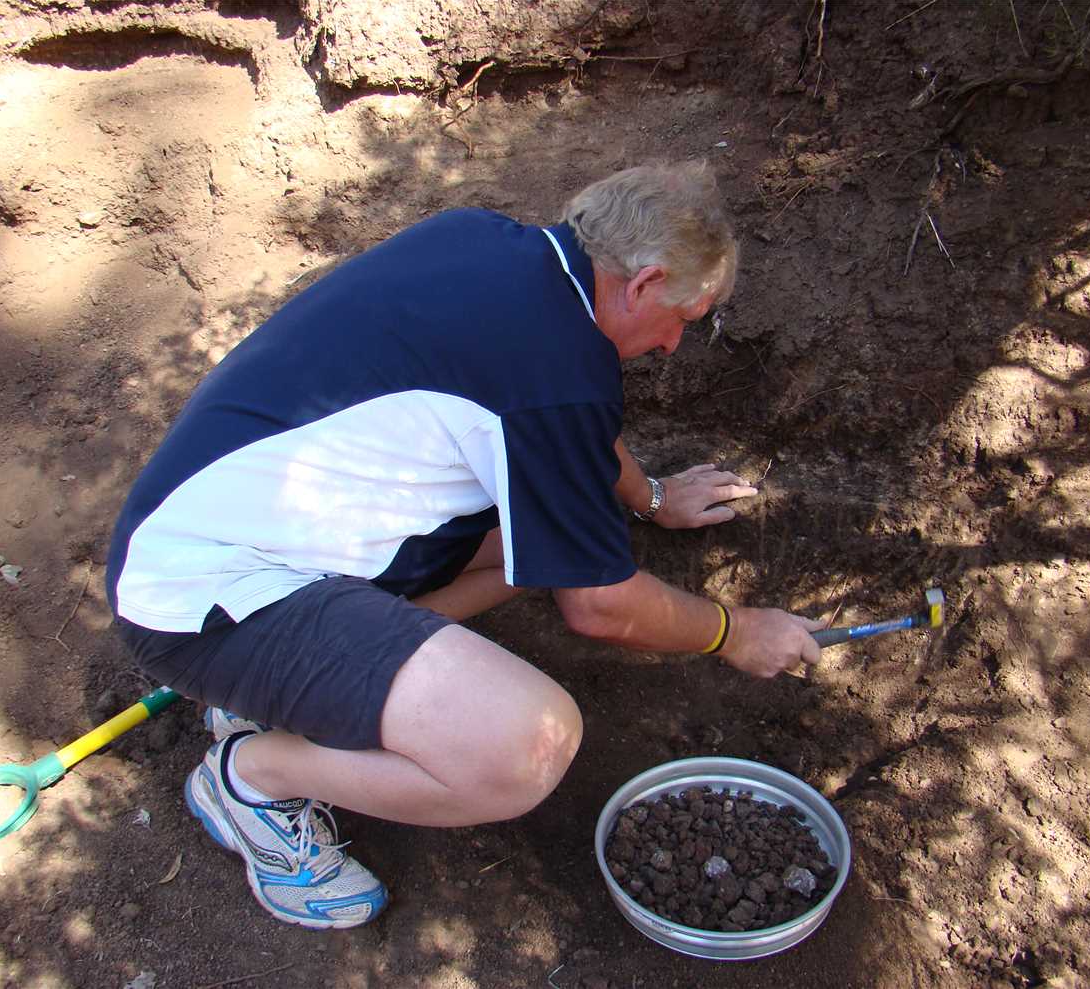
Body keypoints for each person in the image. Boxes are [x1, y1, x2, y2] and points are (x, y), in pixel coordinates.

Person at [105, 160, 823, 931]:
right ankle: (252, 778)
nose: (675, 343)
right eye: (683, 316)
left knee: (551, 543)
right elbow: (602, 607)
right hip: (209, 606)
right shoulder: (556, 371)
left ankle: (293, 690)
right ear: (643, 283)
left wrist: (649, 497)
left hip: (205, 530)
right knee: (526, 749)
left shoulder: (487, 243)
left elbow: (563, 422)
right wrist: (735, 631)